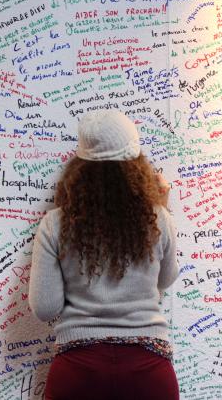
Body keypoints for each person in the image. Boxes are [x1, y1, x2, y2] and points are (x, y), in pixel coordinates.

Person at [28, 110, 180, 400]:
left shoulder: (55, 223)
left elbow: (45, 307)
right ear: (136, 163)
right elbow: (166, 278)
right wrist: (162, 208)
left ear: (79, 166)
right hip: (149, 372)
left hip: (78, 374)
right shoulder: (158, 218)